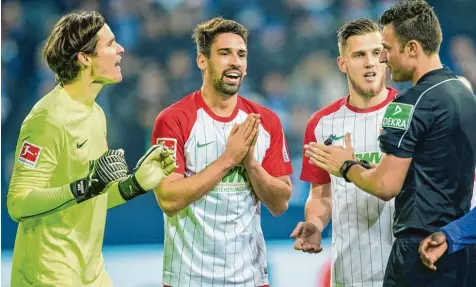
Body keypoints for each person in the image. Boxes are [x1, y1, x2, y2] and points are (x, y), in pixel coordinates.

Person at [305, 1, 476, 286]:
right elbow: (434, 168)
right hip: (458, 248)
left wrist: (345, 166)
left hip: (419, 251)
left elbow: (386, 187)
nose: (382, 59)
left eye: (386, 49)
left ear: (411, 49)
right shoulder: (464, 94)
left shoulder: (406, 104)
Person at [7, 11, 177, 287]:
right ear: (84, 58)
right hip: (49, 275)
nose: (121, 48)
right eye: (110, 44)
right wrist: (85, 186)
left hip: (91, 272)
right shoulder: (47, 119)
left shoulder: (96, 113)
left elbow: (93, 197)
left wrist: (133, 184)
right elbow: (18, 204)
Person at [151, 17, 293, 287]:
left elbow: (280, 202)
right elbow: (168, 199)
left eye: (241, 54)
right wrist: (229, 159)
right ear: (202, 60)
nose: (235, 62)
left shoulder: (266, 120)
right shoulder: (173, 120)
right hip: (187, 279)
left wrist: (250, 163)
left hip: (250, 278)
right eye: (224, 53)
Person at [291, 18, 398, 287]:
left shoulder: (410, 111)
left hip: (409, 270)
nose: (370, 62)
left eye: (376, 53)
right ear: (342, 64)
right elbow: (321, 194)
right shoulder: (321, 124)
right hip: (351, 273)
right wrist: (314, 223)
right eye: (359, 55)